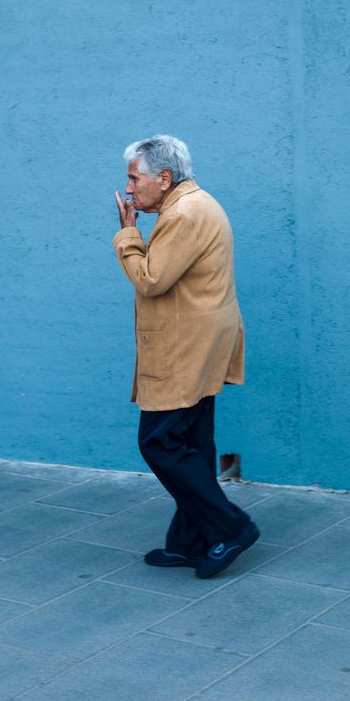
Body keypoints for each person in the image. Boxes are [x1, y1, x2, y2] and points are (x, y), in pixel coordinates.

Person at [113, 134, 259, 578]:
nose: (129, 188)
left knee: (158, 442)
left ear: (164, 177)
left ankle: (231, 527)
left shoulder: (182, 214)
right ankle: (191, 540)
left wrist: (127, 235)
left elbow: (151, 279)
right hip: (200, 340)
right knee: (192, 442)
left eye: (134, 178)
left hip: (185, 346)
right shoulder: (194, 204)